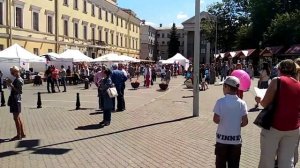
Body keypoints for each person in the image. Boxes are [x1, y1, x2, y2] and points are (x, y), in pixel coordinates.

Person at [255, 59, 300, 168]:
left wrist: (259, 99)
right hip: (293, 127)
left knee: (267, 160)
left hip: (275, 126)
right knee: (287, 161)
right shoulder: (298, 84)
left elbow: (265, 103)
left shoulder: (277, 80)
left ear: (280, 69)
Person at [213, 76, 248, 168]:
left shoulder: (220, 102)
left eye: (223, 86)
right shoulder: (242, 103)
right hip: (235, 141)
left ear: (227, 87)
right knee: (234, 165)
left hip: (222, 140)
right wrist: (236, 124)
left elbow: (216, 119)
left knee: (220, 164)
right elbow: (245, 122)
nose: (223, 89)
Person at [7, 66, 26, 141]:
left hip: (15, 99)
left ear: (16, 71)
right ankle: (22, 134)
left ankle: (19, 135)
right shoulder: (18, 79)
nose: (12, 73)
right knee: (17, 117)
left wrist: (11, 85)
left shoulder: (18, 80)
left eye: (12, 72)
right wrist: (10, 84)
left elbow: (19, 91)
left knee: (16, 118)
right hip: (15, 99)